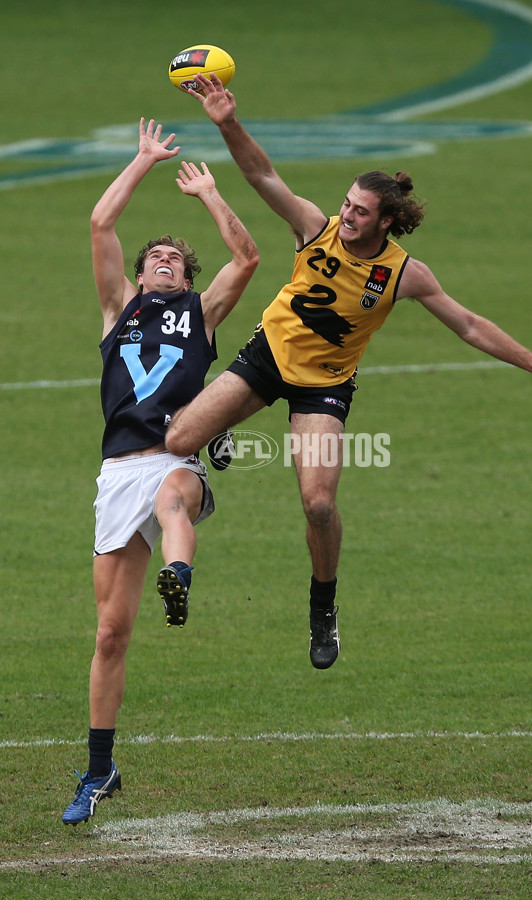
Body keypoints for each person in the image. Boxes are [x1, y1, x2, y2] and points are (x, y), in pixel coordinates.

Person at [165, 73, 532, 673]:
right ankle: (224, 427)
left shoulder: (403, 274)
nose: (347, 216)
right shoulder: (315, 228)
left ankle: (322, 608)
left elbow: (468, 324)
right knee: (180, 438)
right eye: (346, 204)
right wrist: (227, 122)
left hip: (325, 386)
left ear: (385, 220)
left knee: (317, 505)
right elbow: (262, 175)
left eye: (360, 212)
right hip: (268, 357)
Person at [62, 117, 259, 825]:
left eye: (176, 257)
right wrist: (143, 161)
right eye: (157, 257)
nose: (166, 261)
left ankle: (181, 574)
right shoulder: (119, 309)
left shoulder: (202, 315)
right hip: (117, 474)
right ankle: (99, 768)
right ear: (141, 273)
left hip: (175, 459)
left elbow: (247, 256)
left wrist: (209, 193)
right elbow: (100, 222)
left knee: (180, 498)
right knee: (111, 634)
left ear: (186, 274)